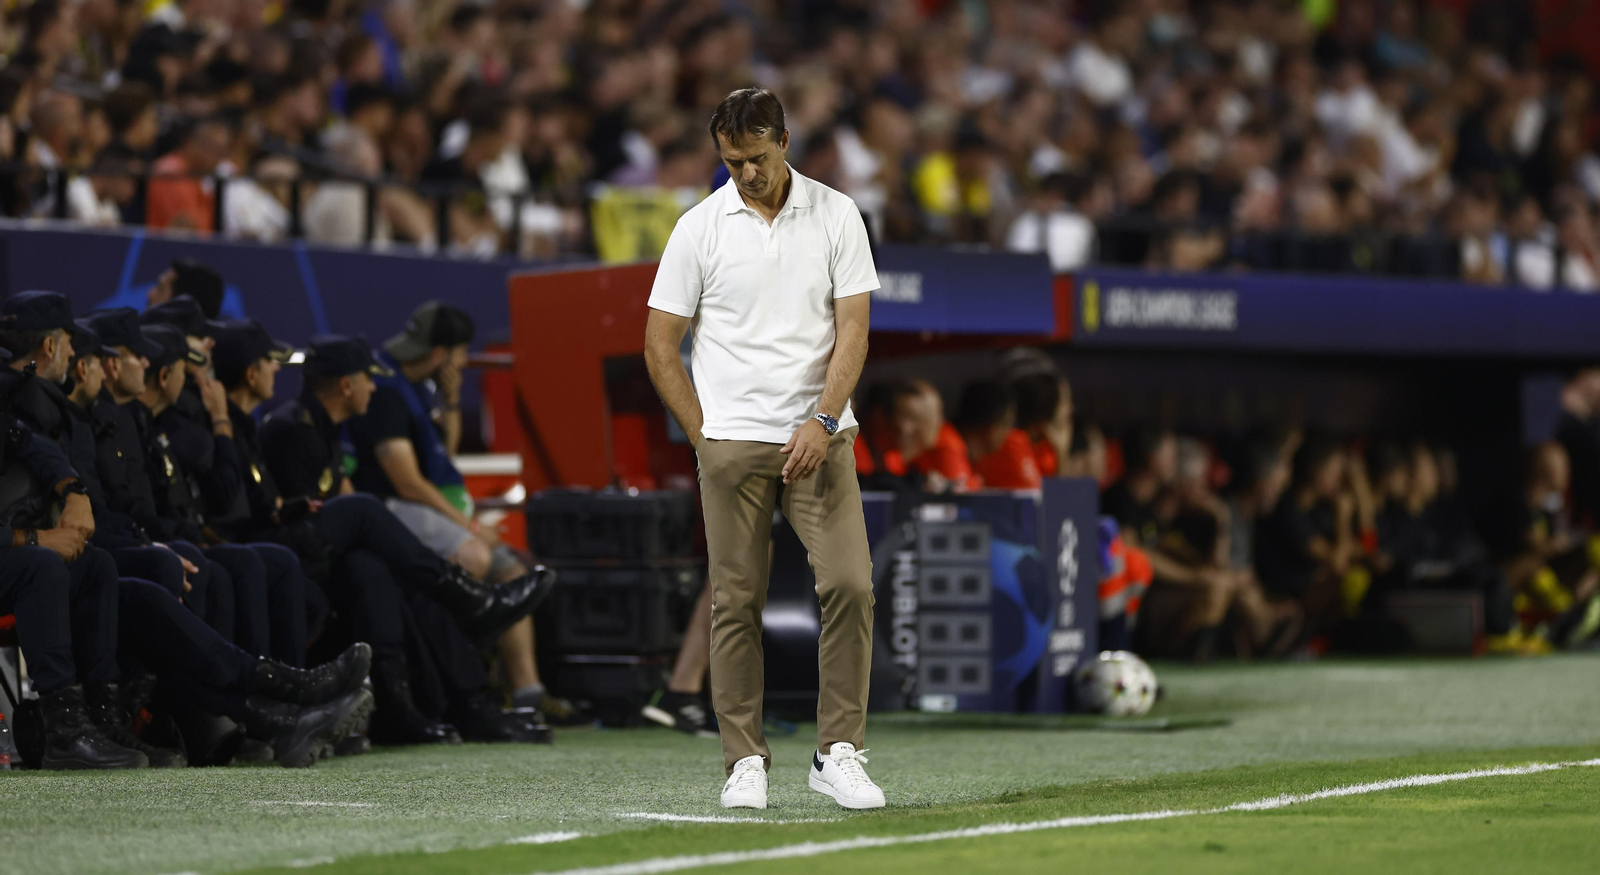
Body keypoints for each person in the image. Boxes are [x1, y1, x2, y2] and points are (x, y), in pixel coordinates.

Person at [645, 87, 882, 811]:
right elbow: (660, 345)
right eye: (730, 161)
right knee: (735, 603)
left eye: (753, 158)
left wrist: (822, 417)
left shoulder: (838, 214)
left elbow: (854, 330)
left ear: (783, 140)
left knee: (850, 585)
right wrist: (703, 434)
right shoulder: (698, 227)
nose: (742, 174)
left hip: (820, 437)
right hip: (731, 443)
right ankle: (743, 760)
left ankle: (837, 749)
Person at [258, 335, 554, 744]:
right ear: (347, 385)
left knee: (392, 574)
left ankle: (467, 704)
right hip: (293, 556)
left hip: (325, 551)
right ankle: (466, 611)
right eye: (367, 379)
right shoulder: (291, 428)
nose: (374, 387)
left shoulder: (322, 428)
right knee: (368, 543)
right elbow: (302, 516)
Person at [344, 301, 559, 716]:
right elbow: (409, 483)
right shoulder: (386, 393)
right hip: (389, 508)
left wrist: (453, 398)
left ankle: (528, 693)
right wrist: (470, 527)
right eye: (461, 351)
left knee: (512, 573)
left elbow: (445, 454)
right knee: (474, 558)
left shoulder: (419, 388)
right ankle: (461, 688)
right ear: (442, 354)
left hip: (424, 507)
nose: (464, 360)